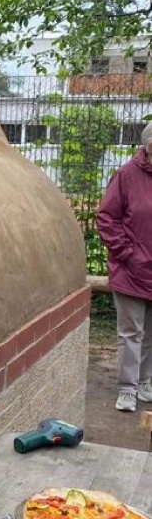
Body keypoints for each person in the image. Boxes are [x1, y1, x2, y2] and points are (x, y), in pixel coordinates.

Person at [96, 121, 152, 413]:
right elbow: (107, 217)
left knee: (151, 335)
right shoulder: (127, 175)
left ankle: (145, 383)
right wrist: (127, 254)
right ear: (148, 144)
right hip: (131, 270)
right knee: (131, 332)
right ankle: (127, 389)